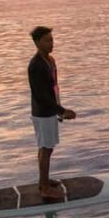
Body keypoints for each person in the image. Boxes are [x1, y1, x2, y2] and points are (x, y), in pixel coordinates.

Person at [28, 26, 76, 200]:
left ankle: (44, 181)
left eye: (52, 40)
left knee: (47, 147)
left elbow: (53, 89)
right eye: (47, 40)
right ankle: (44, 188)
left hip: (49, 110)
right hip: (42, 112)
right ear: (37, 42)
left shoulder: (50, 61)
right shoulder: (36, 66)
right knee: (46, 148)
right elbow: (41, 96)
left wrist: (59, 108)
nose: (51, 43)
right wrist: (62, 110)